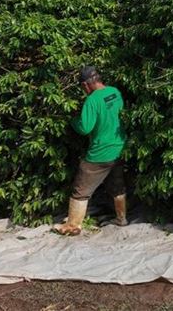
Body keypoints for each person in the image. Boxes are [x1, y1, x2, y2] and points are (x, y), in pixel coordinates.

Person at [54, 66, 127, 235]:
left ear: (86, 84)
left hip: (100, 153)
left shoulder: (92, 100)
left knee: (80, 190)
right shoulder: (114, 92)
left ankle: (73, 226)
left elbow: (85, 128)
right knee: (117, 185)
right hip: (119, 147)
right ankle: (121, 219)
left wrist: (73, 121)